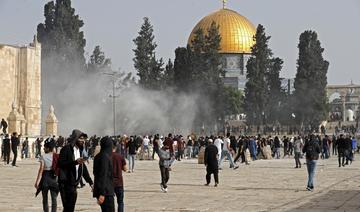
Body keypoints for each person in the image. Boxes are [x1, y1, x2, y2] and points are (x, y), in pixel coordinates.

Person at [58, 129, 93, 212]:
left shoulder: (79, 150)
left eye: (83, 139)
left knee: (71, 208)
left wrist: (90, 182)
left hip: (74, 184)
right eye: (80, 139)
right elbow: (61, 164)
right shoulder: (66, 149)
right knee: (67, 208)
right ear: (75, 138)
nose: (82, 141)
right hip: (65, 183)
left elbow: (83, 168)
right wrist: (75, 162)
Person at [34, 138, 59, 212]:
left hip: (45, 178)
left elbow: (41, 169)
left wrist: (37, 181)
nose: (43, 148)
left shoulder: (43, 157)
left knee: (45, 199)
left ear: (48, 148)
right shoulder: (57, 156)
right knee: (54, 199)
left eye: (44, 147)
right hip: (54, 179)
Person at [93, 137, 115, 212]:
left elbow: (95, 173)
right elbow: (103, 175)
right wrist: (102, 193)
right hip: (106, 192)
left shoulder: (98, 156)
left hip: (102, 190)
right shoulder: (104, 157)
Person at [112, 139, 127, 212]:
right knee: (120, 202)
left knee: (110, 203)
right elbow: (125, 169)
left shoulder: (106, 156)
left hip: (109, 183)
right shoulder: (120, 157)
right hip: (119, 183)